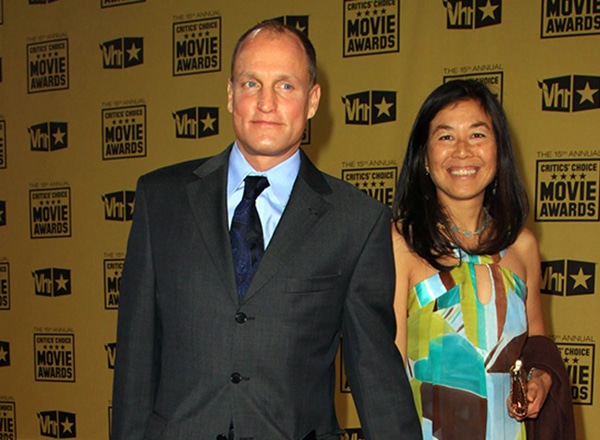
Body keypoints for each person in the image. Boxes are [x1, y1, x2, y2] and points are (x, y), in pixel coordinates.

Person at [111, 20, 421, 440]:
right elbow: (134, 364)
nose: (266, 103)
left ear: (312, 100)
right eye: (251, 84)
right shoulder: (160, 200)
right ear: (230, 94)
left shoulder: (357, 221)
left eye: (285, 86)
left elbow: (377, 378)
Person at [392, 80, 573, 439]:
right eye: (445, 137)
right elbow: (387, 370)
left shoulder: (523, 246)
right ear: (424, 157)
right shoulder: (400, 243)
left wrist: (541, 379)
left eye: (477, 135)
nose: (462, 150)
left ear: (498, 150)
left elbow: (537, 345)